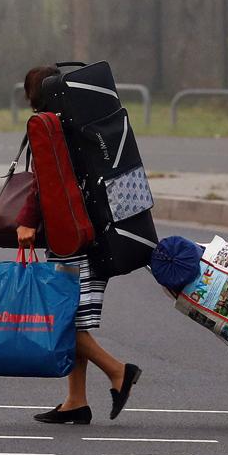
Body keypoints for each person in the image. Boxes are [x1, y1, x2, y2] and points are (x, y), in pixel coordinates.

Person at [17, 65, 140, 425]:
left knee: (62, 321)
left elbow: (45, 183)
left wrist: (27, 220)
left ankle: (118, 372)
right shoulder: (84, 121)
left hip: (72, 236)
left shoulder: (49, 127)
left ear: (33, 96)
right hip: (100, 230)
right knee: (74, 319)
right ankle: (75, 401)